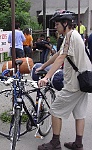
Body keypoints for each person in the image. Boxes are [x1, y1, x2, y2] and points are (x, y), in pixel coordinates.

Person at [36, 10, 91, 150]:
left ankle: (55, 143)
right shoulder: (73, 35)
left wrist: (47, 77)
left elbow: (62, 57)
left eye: (57, 23)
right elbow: (59, 54)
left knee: (55, 110)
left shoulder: (71, 36)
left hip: (74, 84)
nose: (56, 26)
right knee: (79, 113)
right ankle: (78, 144)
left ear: (65, 23)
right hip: (83, 82)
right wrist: (43, 66)